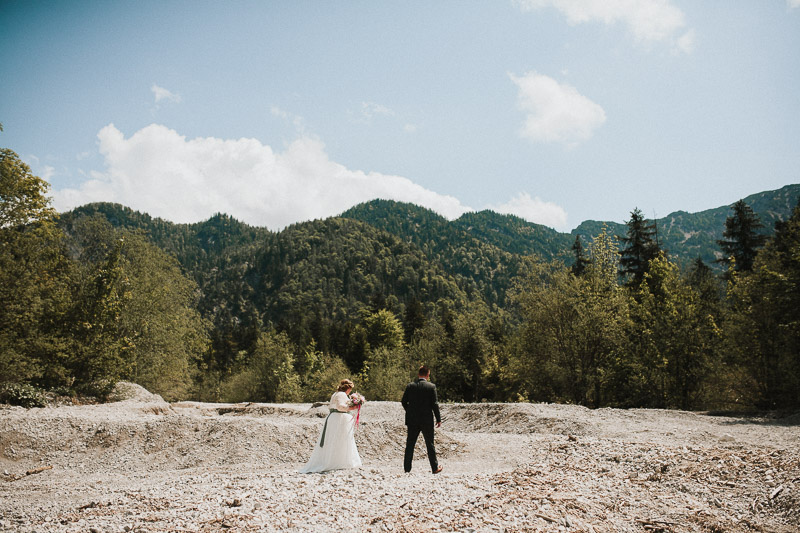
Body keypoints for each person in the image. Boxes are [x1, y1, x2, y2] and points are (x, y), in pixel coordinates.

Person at [299, 379, 362, 473]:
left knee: (334, 439)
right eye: (350, 389)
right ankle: (340, 462)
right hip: (339, 418)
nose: (350, 391)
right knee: (340, 439)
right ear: (347, 388)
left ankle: (335, 460)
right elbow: (340, 407)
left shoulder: (335, 394)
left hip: (334, 418)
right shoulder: (341, 394)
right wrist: (353, 407)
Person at [401, 365, 443, 474]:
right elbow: (435, 404)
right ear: (428, 375)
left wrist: (409, 411)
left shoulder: (410, 386)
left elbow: (403, 401)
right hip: (427, 420)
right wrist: (438, 419)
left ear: (418, 374)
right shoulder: (431, 387)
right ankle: (434, 468)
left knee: (410, 444)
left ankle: (407, 469)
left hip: (412, 420)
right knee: (430, 444)